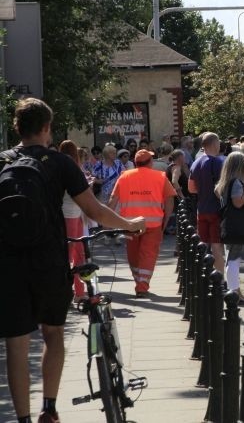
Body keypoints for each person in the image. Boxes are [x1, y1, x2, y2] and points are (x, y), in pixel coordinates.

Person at [1, 98, 145, 423]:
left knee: (17, 344)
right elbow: (94, 211)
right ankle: (49, 410)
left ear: (17, 127)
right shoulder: (59, 162)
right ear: (47, 128)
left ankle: (21, 418)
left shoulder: (2, 162)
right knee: (53, 334)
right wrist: (130, 224)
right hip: (49, 261)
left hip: (9, 265)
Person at [108, 149, 176, 297]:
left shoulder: (124, 176)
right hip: (153, 224)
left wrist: (107, 222)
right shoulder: (160, 176)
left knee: (133, 255)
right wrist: (166, 220)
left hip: (129, 224)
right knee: (148, 255)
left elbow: (113, 200)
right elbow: (169, 200)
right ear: (150, 162)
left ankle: (139, 281)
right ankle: (142, 286)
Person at [214, 151, 244, 304]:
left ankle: (236, 290)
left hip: (228, 224)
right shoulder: (236, 183)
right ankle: (234, 292)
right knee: (234, 259)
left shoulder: (223, 183)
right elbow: (238, 203)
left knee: (232, 257)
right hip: (237, 225)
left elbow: (218, 194)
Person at [189, 132, 225, 273]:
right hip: (216, 210)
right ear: (215, 144)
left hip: (202, 210)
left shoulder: (195, 163)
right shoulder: (218, 162)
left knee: (203, 245)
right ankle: (221, 280)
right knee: (216, 246)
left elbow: (191, 188)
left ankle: (203, 277)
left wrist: (203, 191)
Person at [58, 140, 88, 303]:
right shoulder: (75, 169)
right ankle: (78, 291)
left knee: (67, 255)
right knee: (76, 255)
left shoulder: (58, 168)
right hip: (75, 214)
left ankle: (69, 291)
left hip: (66, 214)